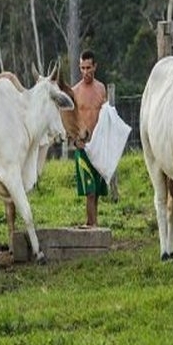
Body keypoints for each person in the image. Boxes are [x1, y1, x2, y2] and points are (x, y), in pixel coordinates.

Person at [71, 49, 108, 227]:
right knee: (90, 191)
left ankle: (91, 222)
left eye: (88, 67)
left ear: (95, 67)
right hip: (83, 147)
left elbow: (106, 116)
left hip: (99, 147)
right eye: (82, 68)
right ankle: (94, 228)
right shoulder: (75, 91)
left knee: (97, 191)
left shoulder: (101, 89)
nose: (85, 72)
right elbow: (69, 118)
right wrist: (74, 139)